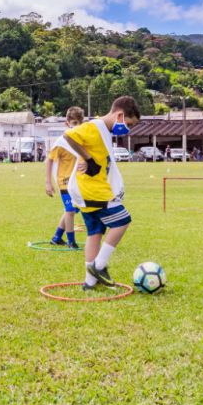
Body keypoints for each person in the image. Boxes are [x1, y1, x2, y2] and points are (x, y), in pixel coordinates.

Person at [62, 96, 141, 290]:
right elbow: (69, 136)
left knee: (95, 233)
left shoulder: (103, 131)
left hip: (88, 190)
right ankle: (99, 265)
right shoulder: (95, 126)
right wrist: (88, 159)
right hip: (92, 190)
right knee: (123, 220)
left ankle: (90, 283)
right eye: (128, 123)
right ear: (120, 115)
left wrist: (87, 158)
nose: (128, 129)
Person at [44, 106, 85, 249]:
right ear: (67, 124)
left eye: (79, 123)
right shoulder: (61, 142)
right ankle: (71, 242)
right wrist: (48, 183)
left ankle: (56, 237)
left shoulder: (82, 140)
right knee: (70, 211)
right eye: (73, 123)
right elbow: (49, 160)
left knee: (73, 209)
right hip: (65, 182)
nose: (76, 126)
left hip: (78, 182)